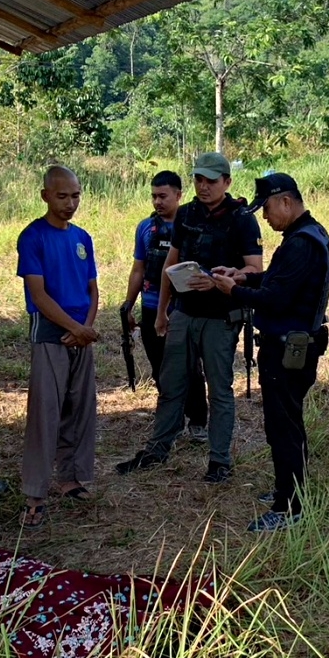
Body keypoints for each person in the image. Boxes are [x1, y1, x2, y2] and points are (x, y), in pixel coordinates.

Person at [116, 153, 263, 483]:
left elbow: (255, 269)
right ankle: (157, 448)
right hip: (184, 311)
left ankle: (219, 460)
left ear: (227, 182)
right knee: (171, 383)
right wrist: (163, 312)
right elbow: (172, 261)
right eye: (199, 179)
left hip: (220, 316)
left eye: (211, 180)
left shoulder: (241, 219)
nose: (204, 186)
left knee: (220, 390)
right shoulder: (186, 214)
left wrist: (223, 279)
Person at [208, 173, 329, 532]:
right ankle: (288, 488)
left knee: (283, 427)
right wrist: (245, 277)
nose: (264, 217)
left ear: (287, 202)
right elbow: (282, 282)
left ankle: (289, 506)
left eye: (267, 209)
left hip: (288, 351)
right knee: (287, 423)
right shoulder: (309, 235)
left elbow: (277, 299)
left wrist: (233, 290)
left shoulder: (299, 244)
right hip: (294, 347)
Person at [16, 166, 100, 528]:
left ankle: (72, 478)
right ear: (45, 195)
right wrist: (74, 328)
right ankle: (35, 491)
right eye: (63, 196)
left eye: (76, 196)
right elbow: (38, 294)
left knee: (80, 409)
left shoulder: (83, 237)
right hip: (52, 334)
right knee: (45, 414)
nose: (70, 203)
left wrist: (86, 328)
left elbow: (93, 289)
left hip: (81, 334)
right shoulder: (33, 237)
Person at [121, 170, 209, 440]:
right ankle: (173, 419)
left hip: (182, 308)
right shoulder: (145, 228)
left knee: (191, 367)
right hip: (150, 306)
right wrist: (128, 304)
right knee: (160, 366)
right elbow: (139, 269)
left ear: (179, 195)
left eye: (163, 196)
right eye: (153, 197)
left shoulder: (194, 227)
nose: (157, 202)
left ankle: (197, 421)